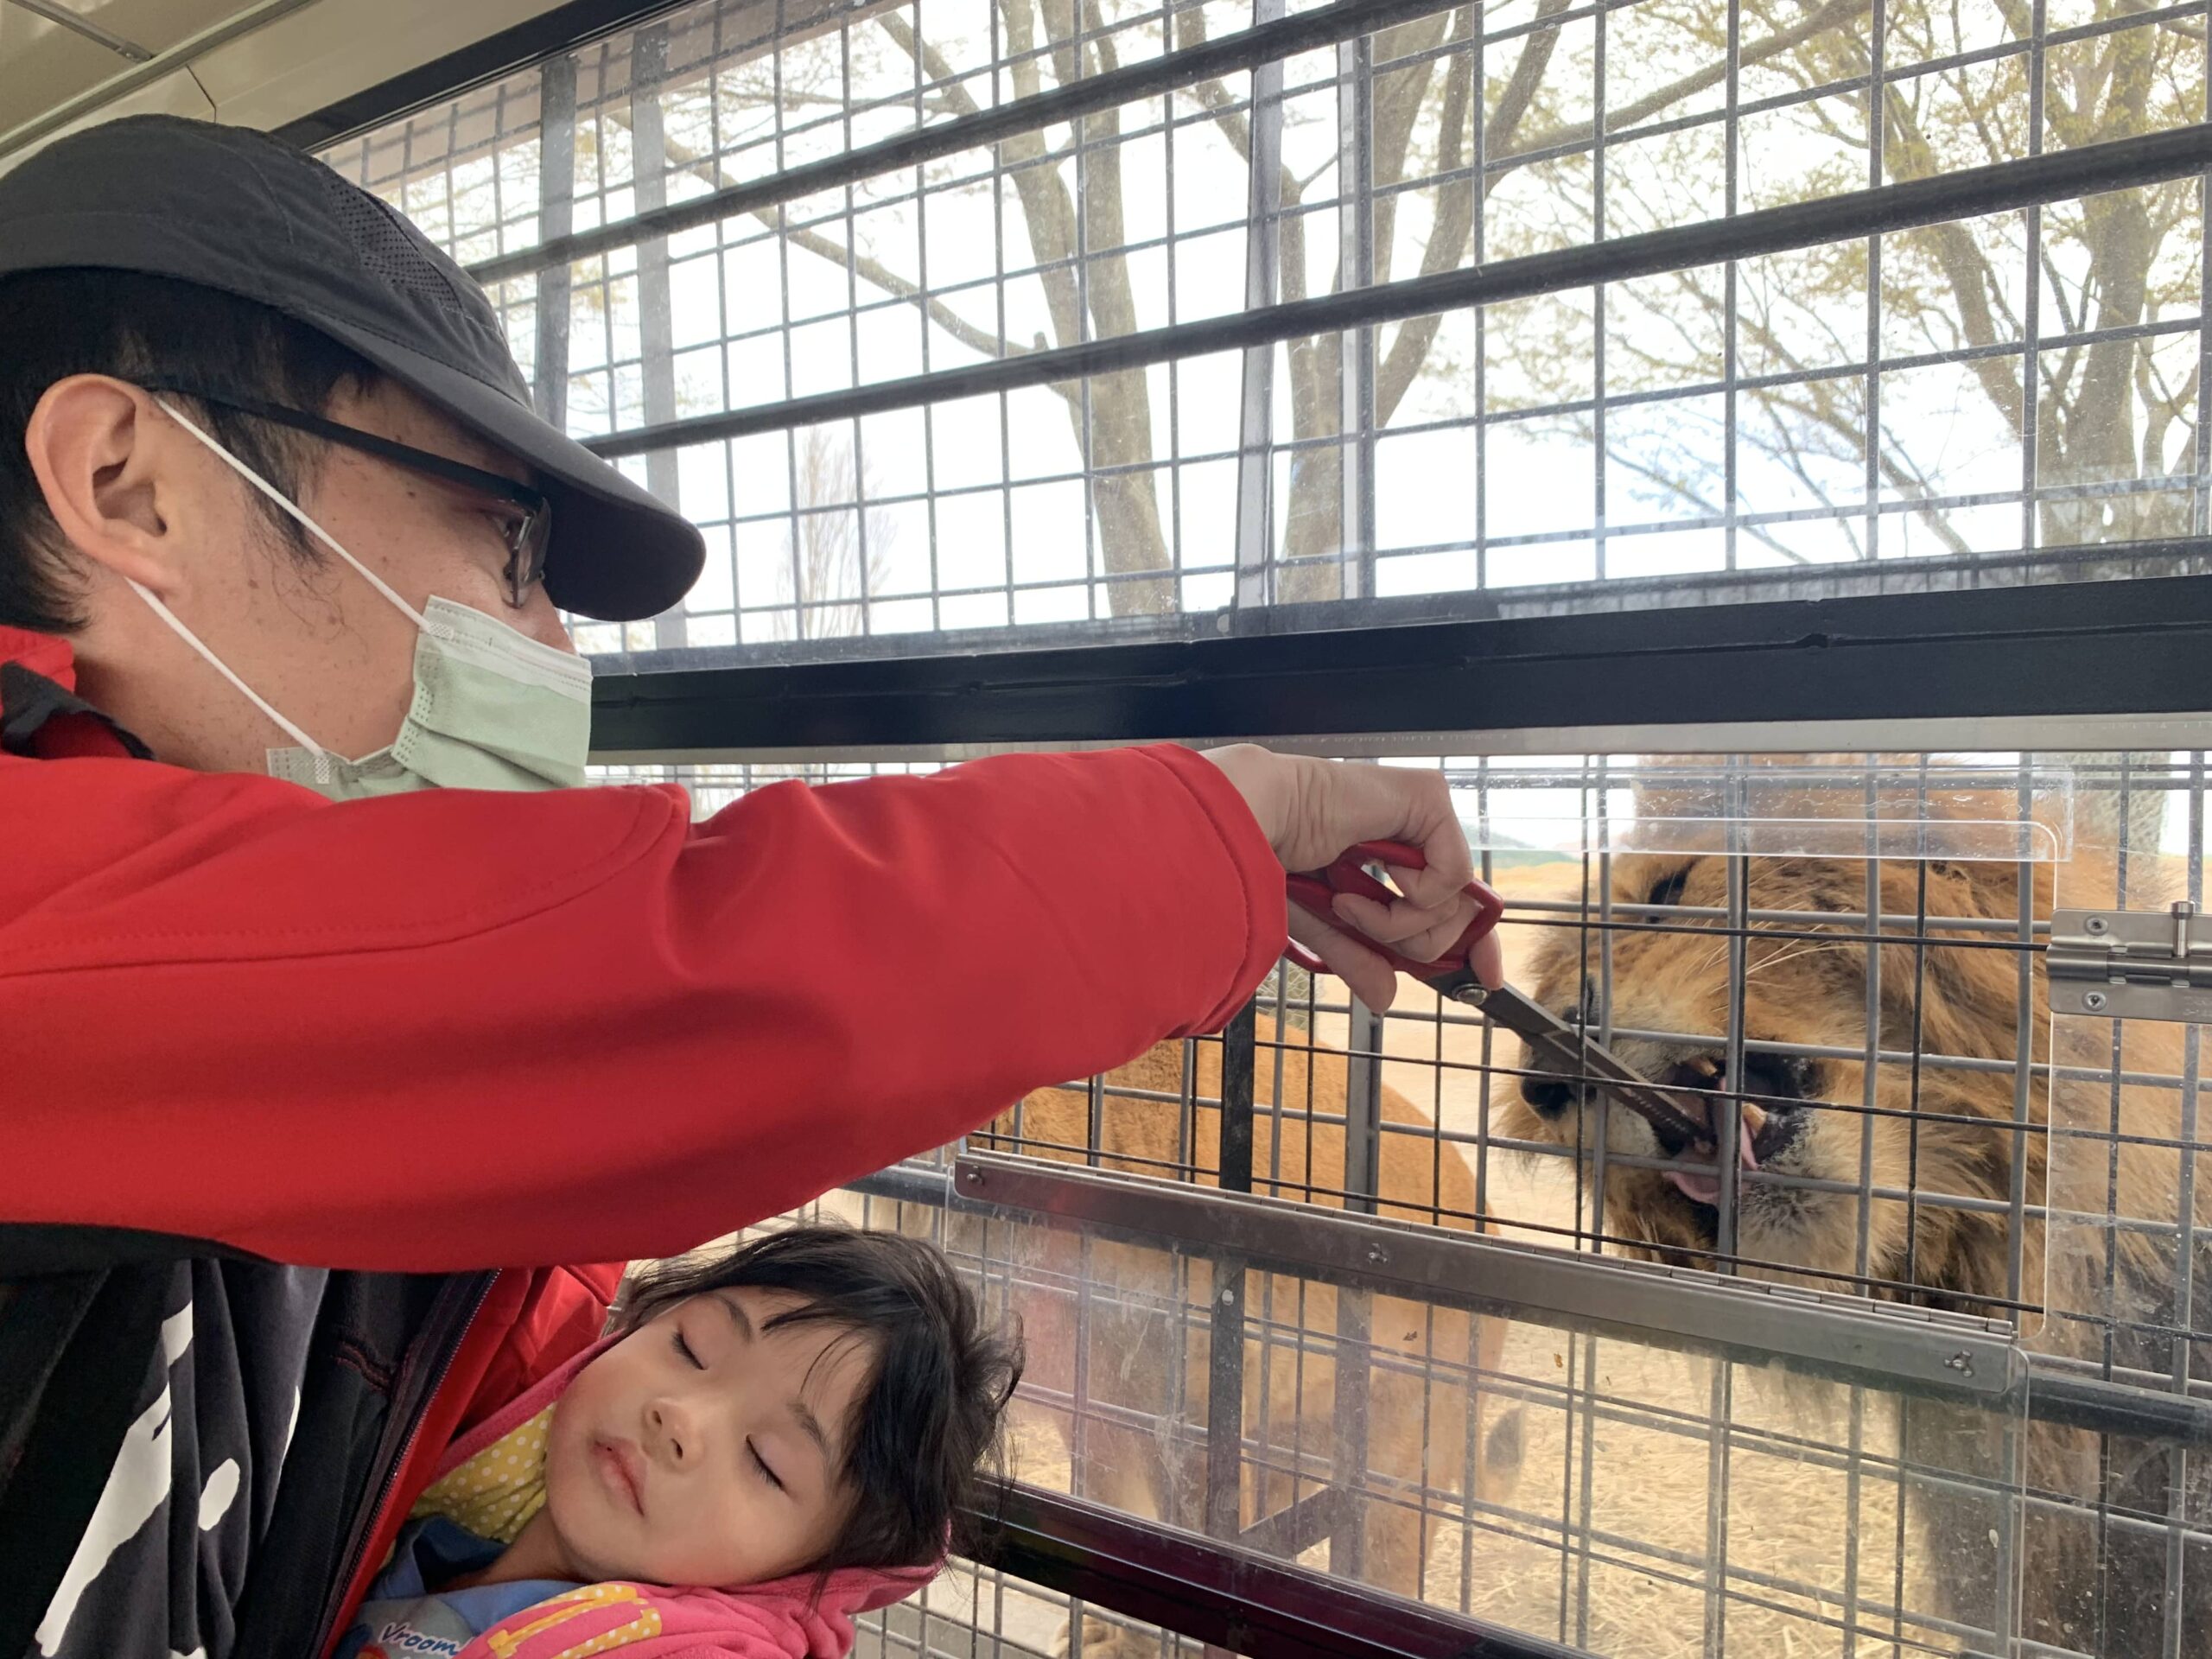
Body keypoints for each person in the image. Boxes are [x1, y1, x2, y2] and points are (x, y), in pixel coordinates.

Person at [0, 115, 1501, 1659]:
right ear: (131, 487)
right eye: (507, 545)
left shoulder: (317, 1086)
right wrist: (1224, 833)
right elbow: (675, 977)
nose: (552, 652)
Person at [335, 1226, 1017, 1659]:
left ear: (805, 1572)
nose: (679, 1418)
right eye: (691, 1347)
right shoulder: (422, 1534)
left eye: (766, 1461)